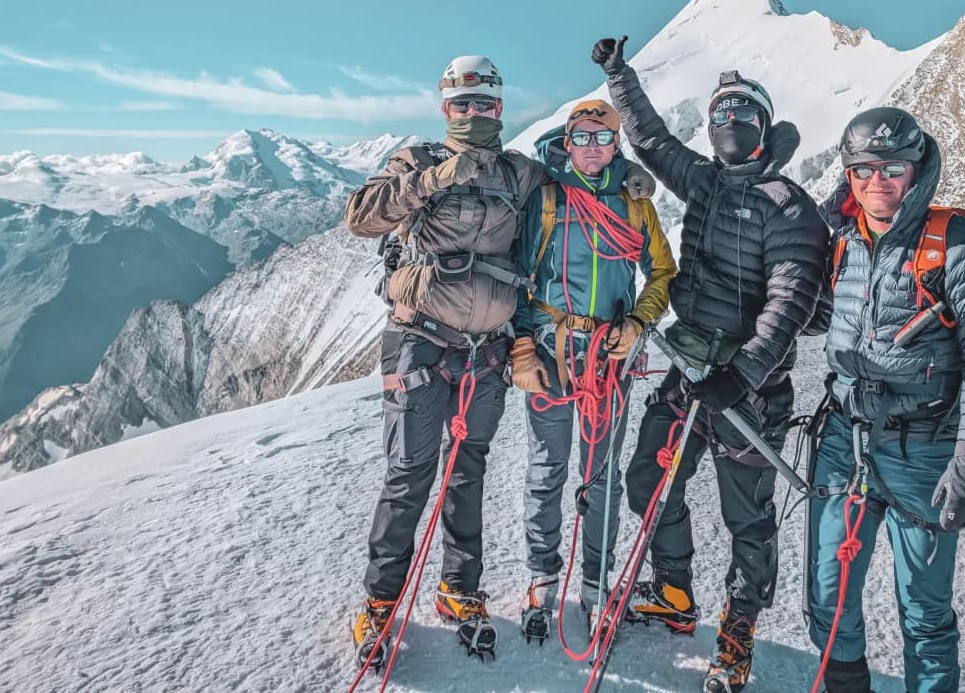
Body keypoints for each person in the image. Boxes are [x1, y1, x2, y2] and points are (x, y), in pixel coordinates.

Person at [591, 36, 829, 691]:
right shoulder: (703, 180)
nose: (727, 124)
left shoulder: (789, 207)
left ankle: (738, 628)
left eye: (741, 114)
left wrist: (743, 374)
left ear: (763, 127)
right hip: (688, 366)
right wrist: (619, 75)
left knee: (746, 517)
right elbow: (649, 139)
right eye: (720, 115)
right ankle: (673, 591)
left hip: (749, 392)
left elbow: (788, 305)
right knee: (649, 476)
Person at [805, 106, 965, 693]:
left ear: (917, 168)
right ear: (848, 176)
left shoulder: (957, 243)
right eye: (864, 169)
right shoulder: (844, 243)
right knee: (828, 592)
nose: (879, 182)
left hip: (924, 448)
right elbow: (820, 316)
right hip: (844, 440)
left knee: (924, 610)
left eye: (893, 167)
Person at [345, 54, 545, 667]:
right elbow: (360, 216)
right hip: (420, 342)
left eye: (484, 104)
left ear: (500, 108)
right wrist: (431, 182)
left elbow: (576, 191)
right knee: (409, 473)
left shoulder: (521, 175)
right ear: (446, 109)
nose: (475, 113)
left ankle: (460, 588)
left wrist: (631, 185)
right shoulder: (417, 162)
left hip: (486, 350)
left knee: (467, 471)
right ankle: (382, 601)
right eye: (464, 104)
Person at [510, 99, 677, 644]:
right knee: (547, 467)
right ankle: (543, 575)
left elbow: (661, 272)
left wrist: (638, 324)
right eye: (581, 138)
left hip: (610, 356)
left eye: (602, 139)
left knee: (599, 474)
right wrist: (522, 346)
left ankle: (595, 581)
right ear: (566, 140)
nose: (591, 148)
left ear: (615, 145)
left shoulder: (634, 204)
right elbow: (519, 275)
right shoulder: (546, 199)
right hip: (553, 353)